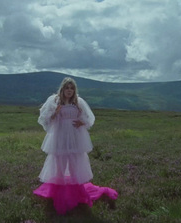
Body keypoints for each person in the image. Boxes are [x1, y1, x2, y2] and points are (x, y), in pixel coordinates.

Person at [33, 77, 118, 215]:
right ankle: (58, 193)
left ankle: (76, 193)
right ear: (62, 89)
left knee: (74, 164)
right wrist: (55, 112)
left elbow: (89, 118)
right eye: (67, 88)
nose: (69, 91)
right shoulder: (55, 101)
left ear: (74, 90)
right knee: (59, 163)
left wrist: (81, 123)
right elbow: (46, 119)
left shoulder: (78, 101)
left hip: (75, 138)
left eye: (72, 88)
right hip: (60, 137)